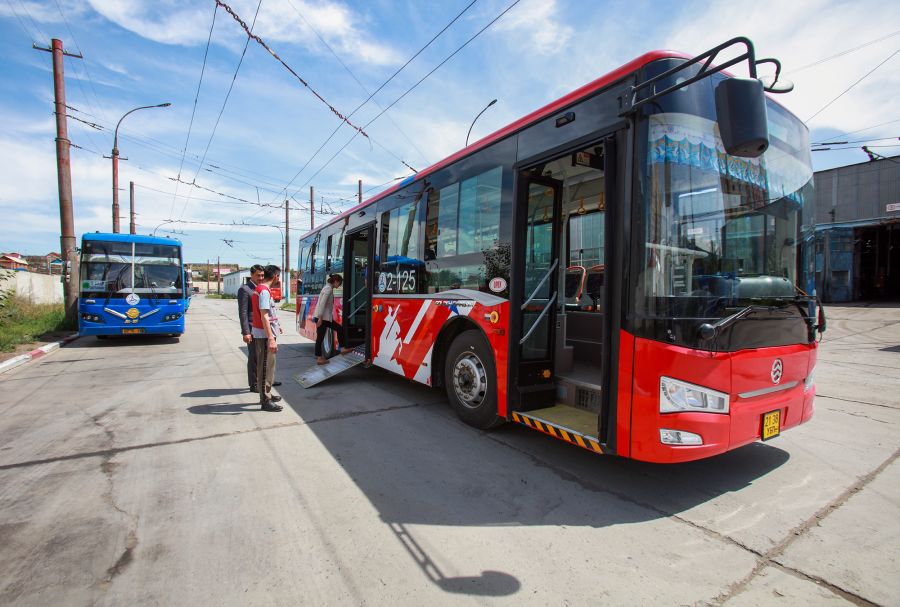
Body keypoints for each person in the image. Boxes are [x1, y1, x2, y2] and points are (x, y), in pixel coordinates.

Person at [251, 265, 284, 412]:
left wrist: (277, 326)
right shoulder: (263, 291)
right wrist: (270, 337)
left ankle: (268, 393)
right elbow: (264, 314)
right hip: (264, 335)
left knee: (269, 366)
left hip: (266, 332)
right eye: (279, 276)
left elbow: (269, 314)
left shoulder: (262, 289)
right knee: (265, 367)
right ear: (276, 276)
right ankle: (265, 400)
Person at [313, 273, 353, 365]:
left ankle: (342, 348)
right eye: (339, 283)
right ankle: (319, 358)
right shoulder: (328, 289)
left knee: (339, 329)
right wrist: (320, 318)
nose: (339, 285)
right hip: (322, 318)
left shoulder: (327, 288)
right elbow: (322, 304)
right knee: (320, 338)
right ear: (336, 281)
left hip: (325, 318)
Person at [238, 265, 265, 392]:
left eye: (262, 275)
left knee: (263, 356)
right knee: (254, 356)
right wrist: (246, 332)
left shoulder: (261, 289)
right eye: (258, 275)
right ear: (252, 275)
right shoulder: (245, 289)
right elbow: (243, 312)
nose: (261, 278)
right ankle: (254, 384)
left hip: (261, 328)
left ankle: (264, 380)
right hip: (251, 328)